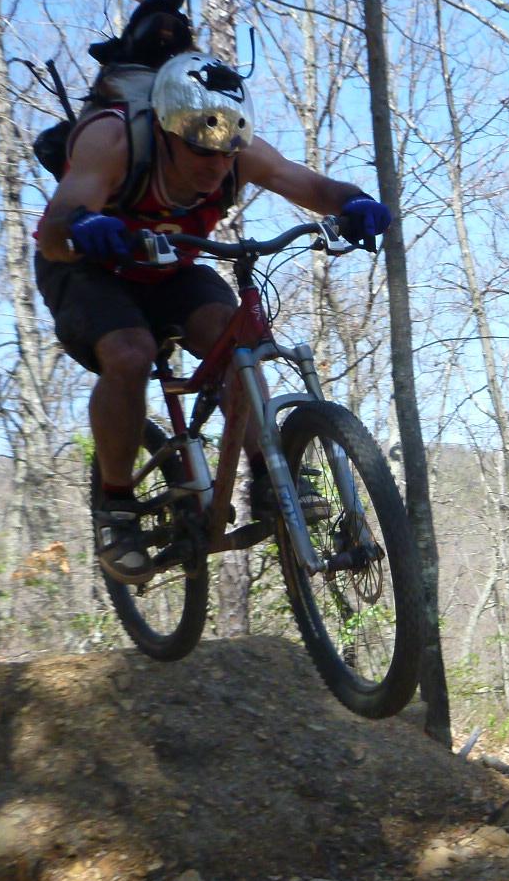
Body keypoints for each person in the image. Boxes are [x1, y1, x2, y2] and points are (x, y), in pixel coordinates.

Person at [34, 51, 392, 584]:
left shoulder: (235, 150)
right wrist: (83, 227)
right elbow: (56, 227)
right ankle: (116, 508)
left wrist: (355, 202)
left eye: (227, 155)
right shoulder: (114, 140)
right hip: (86, 268)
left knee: (237, 341)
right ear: (166, 132)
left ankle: (270, 477)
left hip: (169, 267)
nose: (216, 167)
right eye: (201, 152)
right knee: (131, 352)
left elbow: (308, 184)